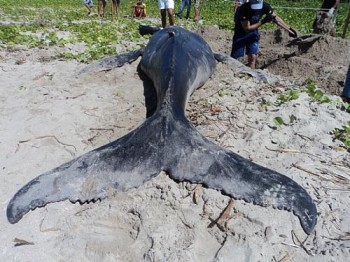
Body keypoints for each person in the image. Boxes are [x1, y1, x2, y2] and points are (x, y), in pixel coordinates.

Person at [231, 0, 297, 69]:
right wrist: (263, 21)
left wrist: (289, 29)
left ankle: (251, 75)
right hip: (240, 32)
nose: (256, 9)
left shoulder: (265, 6)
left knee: (253, 57)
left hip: (253, 32)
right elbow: (247, 28)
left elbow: (275, 18)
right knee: (236, 59)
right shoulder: (243, 9)